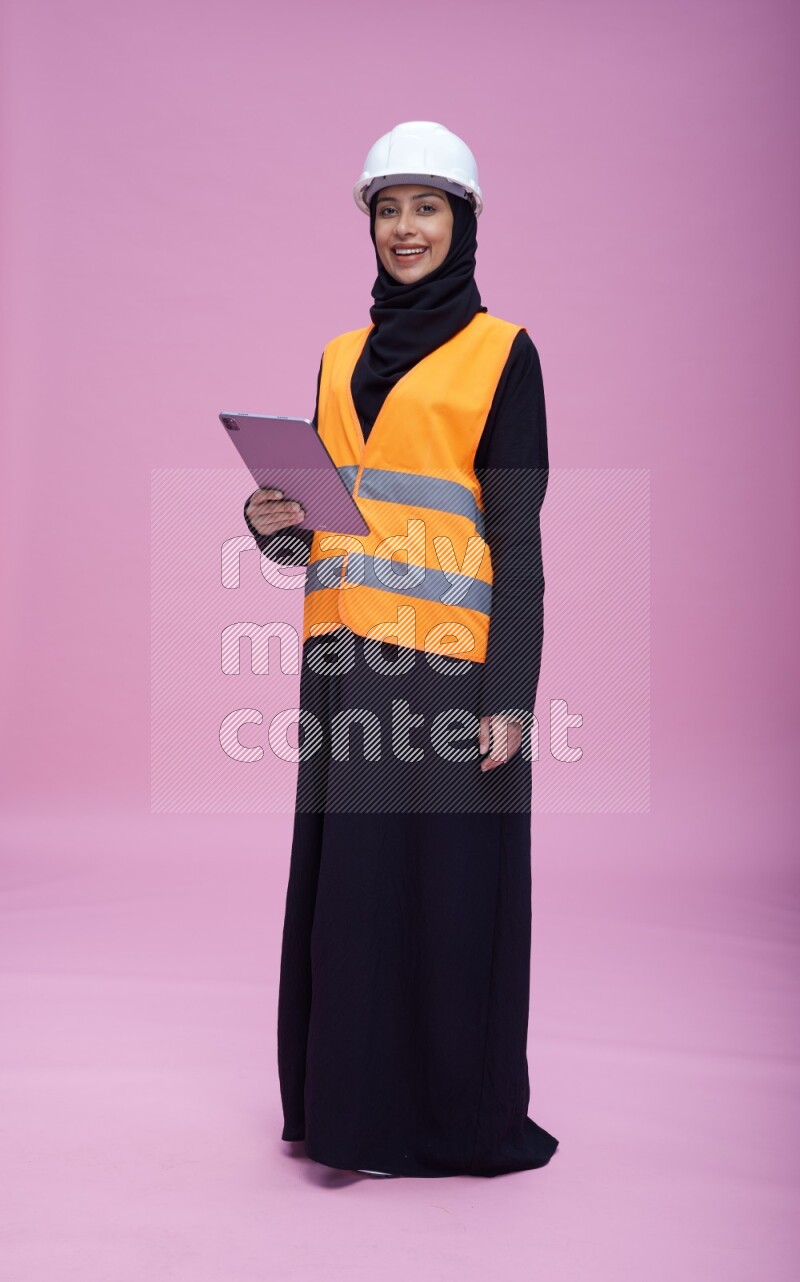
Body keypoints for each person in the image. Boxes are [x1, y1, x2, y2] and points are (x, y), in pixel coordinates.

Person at [243, 121, 558, 1178]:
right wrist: (272, 522)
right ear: (369, 224)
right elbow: (327, 526)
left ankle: (444, 1120)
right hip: (343, 666)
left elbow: (516, 538)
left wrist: (510, 698)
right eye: (389, 209)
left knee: (446, 896)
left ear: (462, 221)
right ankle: (350, 1120)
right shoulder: (339, 356)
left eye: (427, 207)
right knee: (354, 898)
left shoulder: (503, 353)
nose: (406, 228)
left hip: (449, 671)